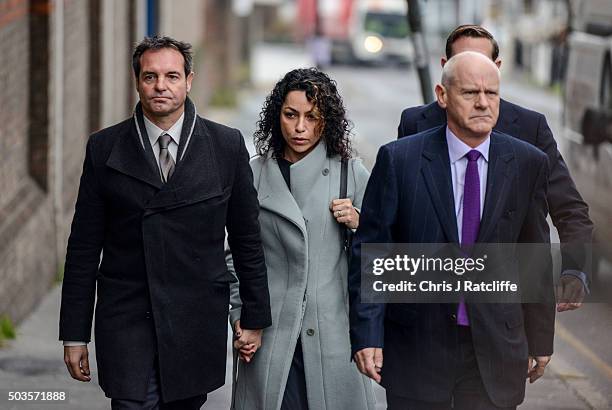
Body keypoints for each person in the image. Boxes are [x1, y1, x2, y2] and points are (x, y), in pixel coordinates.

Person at [59, 36, 271, 409]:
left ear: (189, 80)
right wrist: (74, 334)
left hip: (194, 320)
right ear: (137, 80)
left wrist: (253, 316)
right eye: (150, 76)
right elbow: (83, 247)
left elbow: (247, 239)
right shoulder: (104, 148)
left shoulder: (225, 146)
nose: (161, 86)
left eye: (172, 76)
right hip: (126, 317)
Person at [350, 52, 556, 409]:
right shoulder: (400, 160)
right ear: (442, 95)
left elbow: (533, 257)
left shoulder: (527, 163)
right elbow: (373, 251)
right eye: (470, 93)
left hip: (495, 347)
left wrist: (540, 338)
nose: (483, 103)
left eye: (491, 94)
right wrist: (367, 334)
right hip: (417, 344)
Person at [397, 25, 593, 312]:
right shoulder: (415, 123)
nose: (474, 73)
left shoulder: (529, 128)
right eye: (463, 65)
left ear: (498, 68)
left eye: (484, 66)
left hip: (503, 310)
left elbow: (571, 210)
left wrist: (575, 270)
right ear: (444, 69)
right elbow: (397, 212)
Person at [228, 68, 376, 410]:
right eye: (291, 115)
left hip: (333, 337)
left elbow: (384, 257)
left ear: (328, 121)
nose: (300, 128)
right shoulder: (254, 174)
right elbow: (231, 255)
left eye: (312, 117)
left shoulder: (350, 174)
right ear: (276, 114)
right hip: (270, 333)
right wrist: (241, 315)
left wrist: (359, 223)